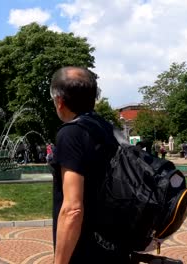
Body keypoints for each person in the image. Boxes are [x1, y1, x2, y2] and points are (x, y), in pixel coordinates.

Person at [49, 66, 126, 263]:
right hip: (113, 244)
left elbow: (73, 208)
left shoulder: (70, 134)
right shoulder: (106, 127)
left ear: (59, 101)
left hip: (86, 250)